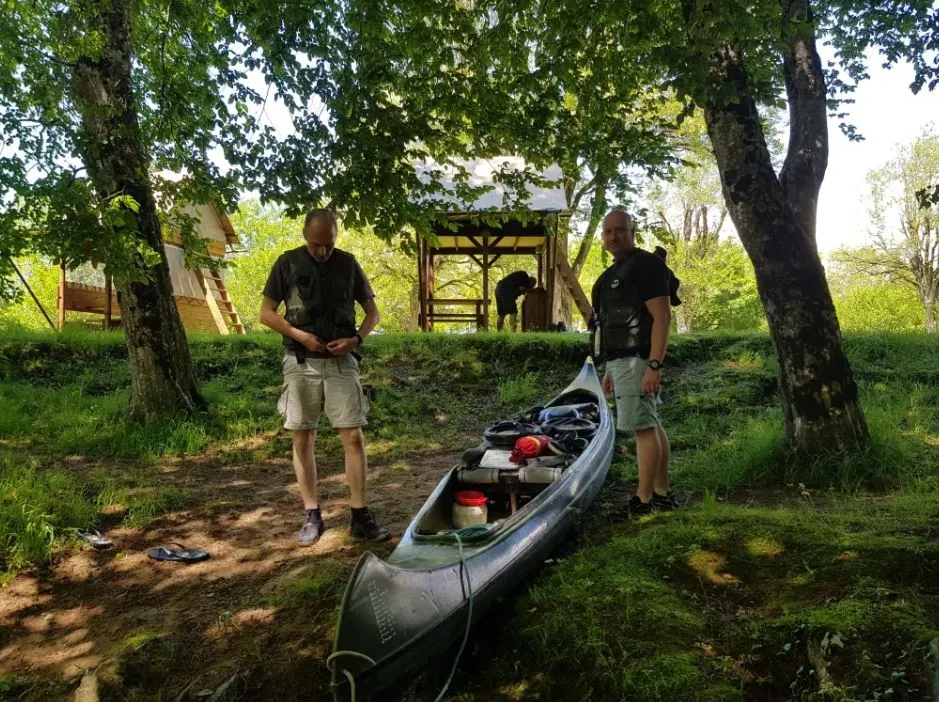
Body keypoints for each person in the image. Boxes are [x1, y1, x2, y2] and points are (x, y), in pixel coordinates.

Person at [260, 209, 388, 545]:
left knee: (354, 436)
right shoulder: (286, 263)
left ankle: (359, 515)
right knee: (302, 437)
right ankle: (312, 514)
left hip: (342, 362)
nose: (322, 251)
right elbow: (266, 314)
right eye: (316, 244)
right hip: (300, 361)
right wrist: (300, 336)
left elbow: (373, 313)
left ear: (335, 236)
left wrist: (356, 339)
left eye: (328, 244)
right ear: (305, 235)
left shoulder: (348, 263)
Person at [592, 209, 678, 516]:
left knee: (642, 429)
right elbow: (609, 326)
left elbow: (662, 317)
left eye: (620, 230)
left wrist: (654, 365)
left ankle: (643, 501)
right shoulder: (613, 274)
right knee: (651, 424)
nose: (614, 236)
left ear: (632, 231)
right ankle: (661, 493)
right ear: (603, 237)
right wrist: (608, 369)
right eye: (609, 231)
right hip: (622, 362)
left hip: (639, 361)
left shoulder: (646, 267)